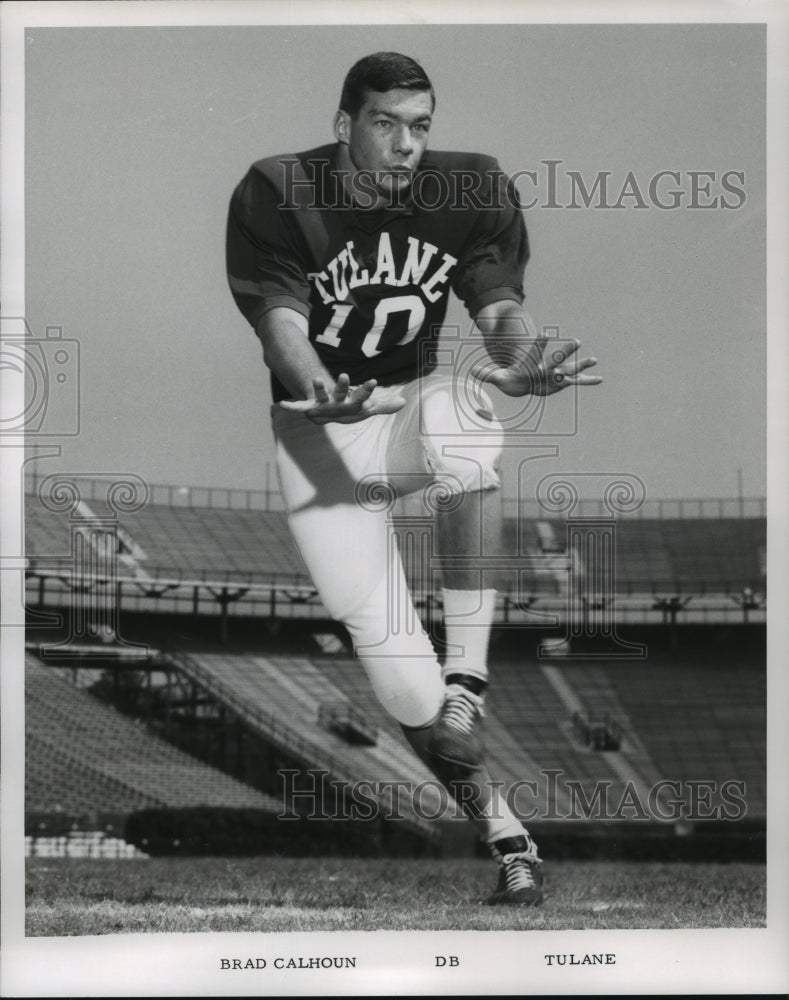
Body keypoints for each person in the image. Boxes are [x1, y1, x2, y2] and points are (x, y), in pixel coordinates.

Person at [226, 51, 602, 905]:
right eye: (385, 123)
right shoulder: (279, 190)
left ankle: (469, 679)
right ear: (344, 124)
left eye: (419, 125)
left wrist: (519, 357)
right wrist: (317, 387)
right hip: (319, 435)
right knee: (401, 682)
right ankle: (506, 835)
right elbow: (279, 323)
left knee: (462, 410)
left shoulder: (465, 189)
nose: (405, 143)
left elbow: (497, 305)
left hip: (397, 410)